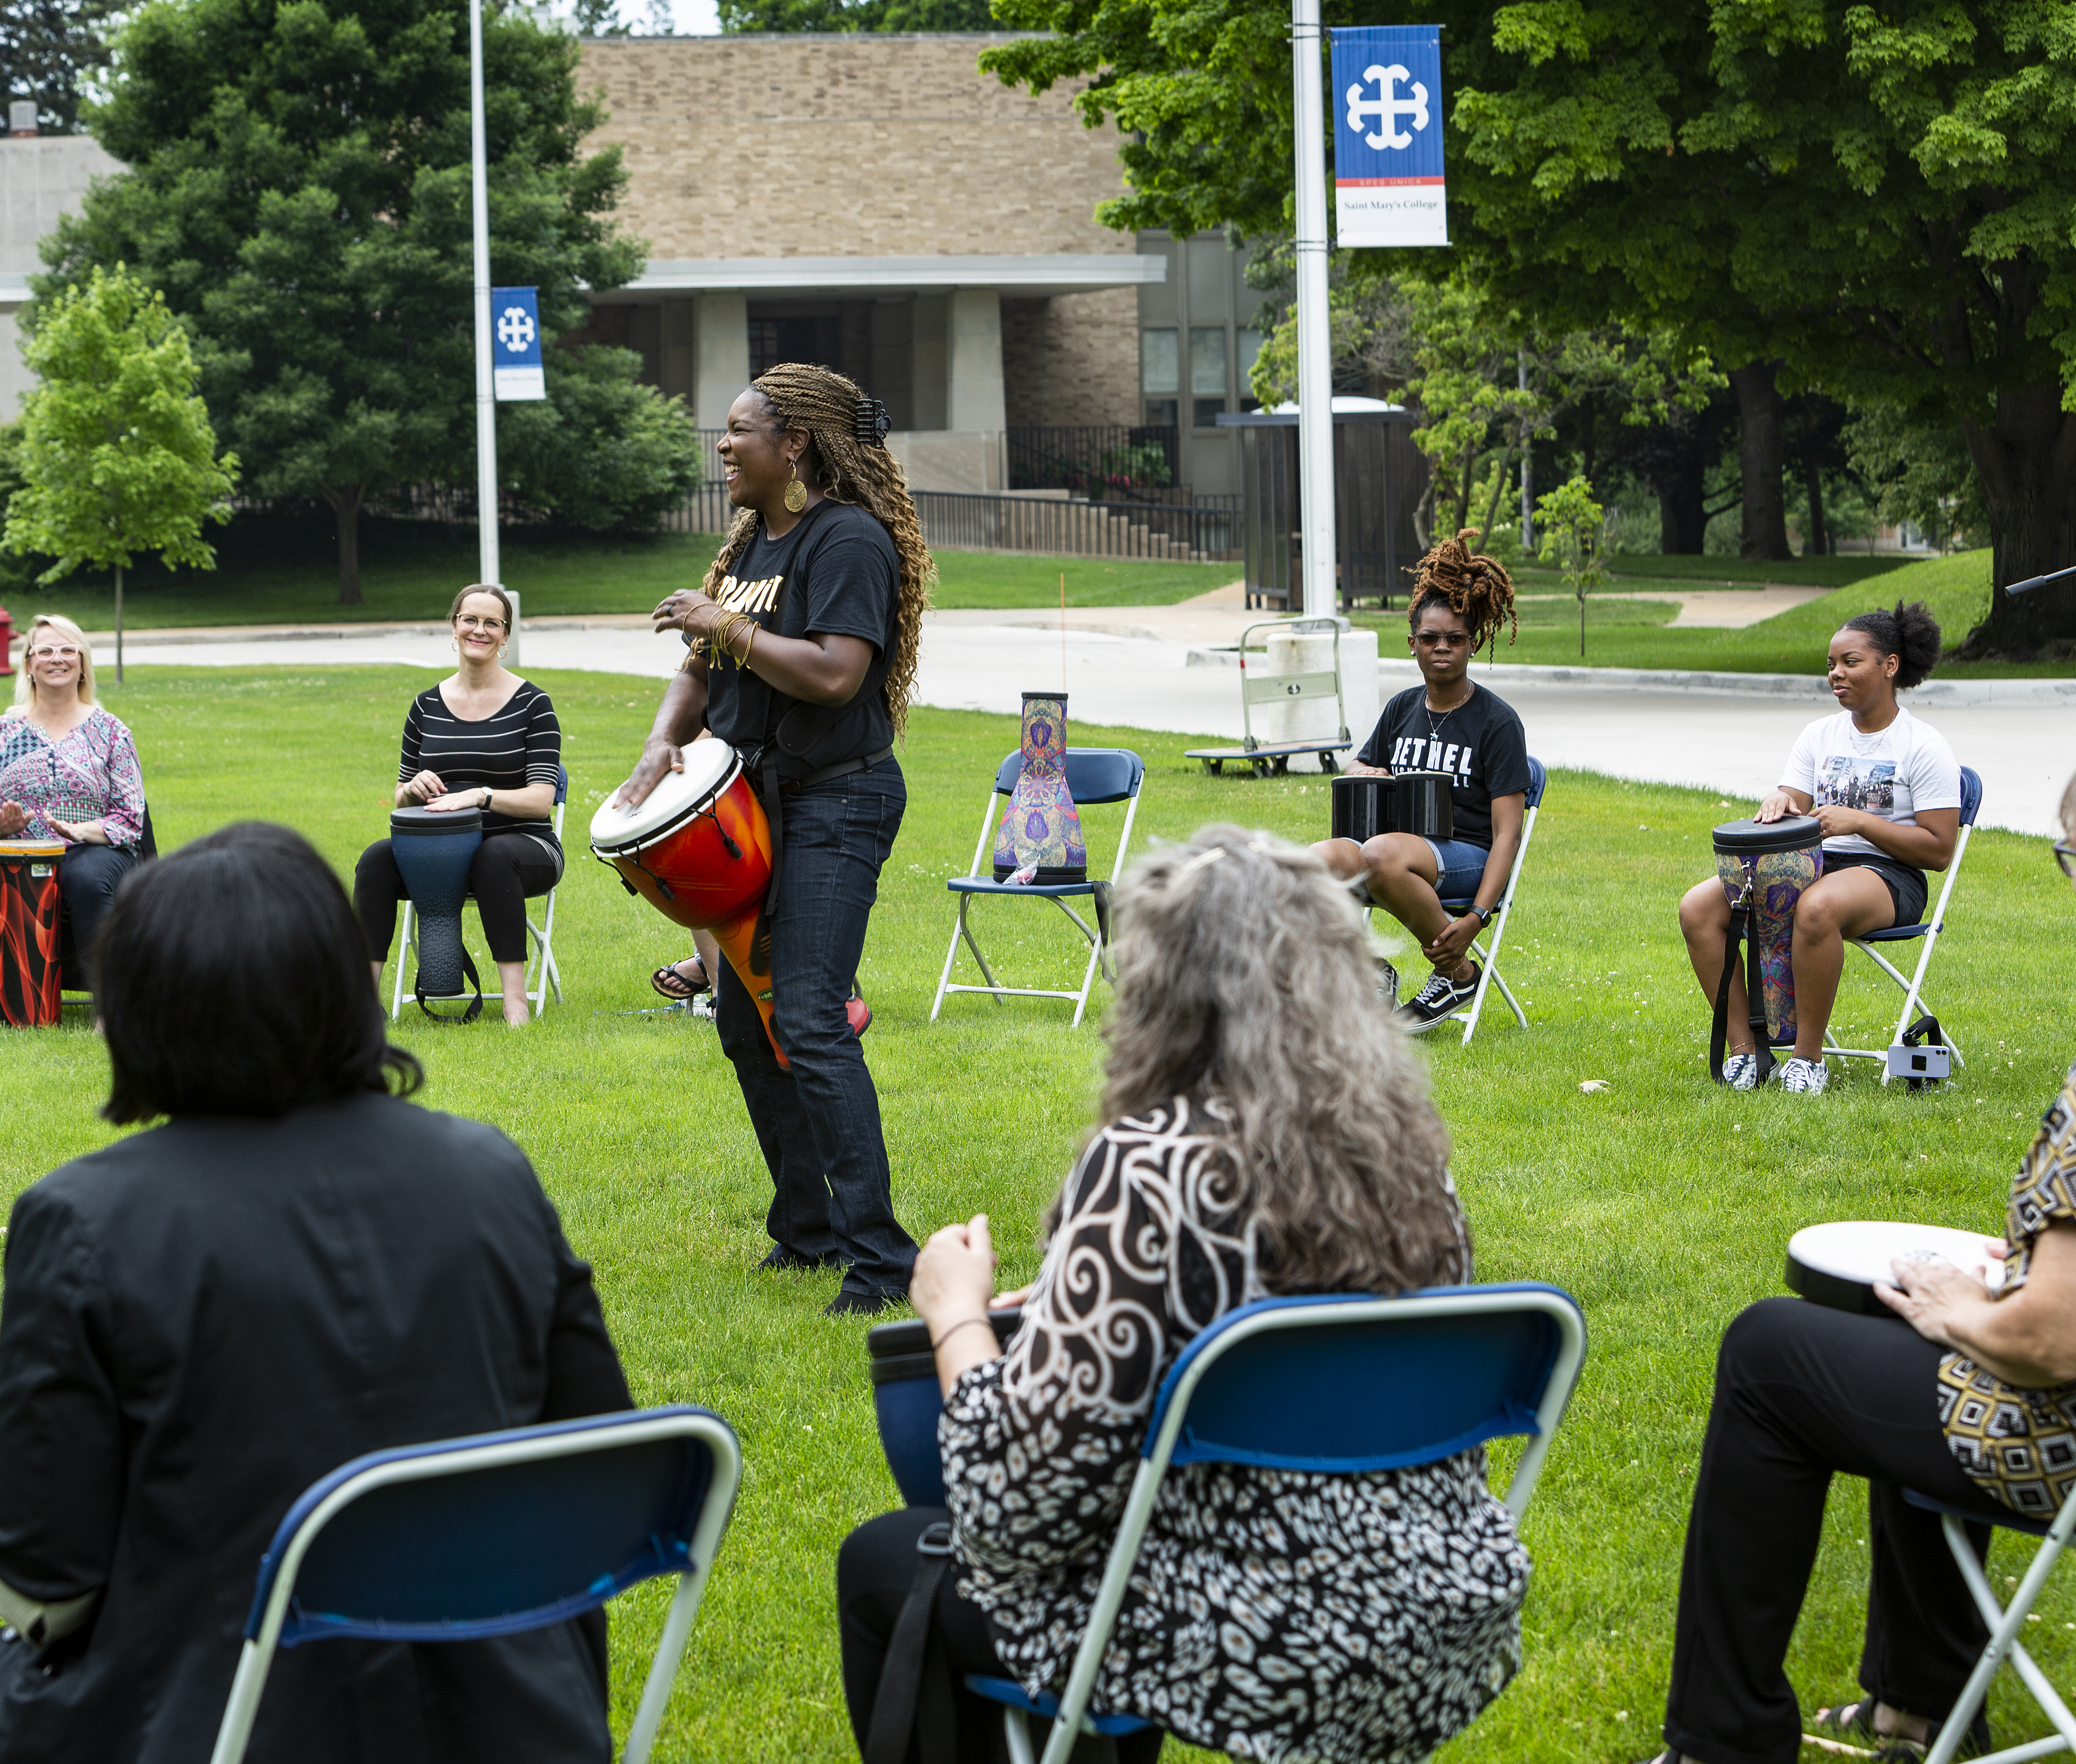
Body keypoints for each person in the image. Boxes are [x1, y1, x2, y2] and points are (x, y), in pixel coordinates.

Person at [0, 821, 633, 1764]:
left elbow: (43, 1583)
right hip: (508, 1713)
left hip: (219, 1713)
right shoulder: (492, 1172)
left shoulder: (86, 1216)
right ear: (344, 980)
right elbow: (597, 1473)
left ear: (140, 1002)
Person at [841, 827, 1531, 1764]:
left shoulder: (1150, 1168)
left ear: (1162, 987)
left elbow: (1014, 1505)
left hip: (1263, 1637)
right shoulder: (1413, 1163)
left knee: (889, 1561)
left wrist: (956, 1309)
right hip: (1434, 1612)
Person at [1633, 773, 2076, 1764]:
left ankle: (1722, 1740)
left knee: (1768, 1349)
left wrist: (1970, 1307)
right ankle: (1920, 1703)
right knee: (1891, 1317)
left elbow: (2049, 1343)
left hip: (2056, 1436)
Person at [611, 362, 925, 1314]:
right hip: (752, 808)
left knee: (812, 1018)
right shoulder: (751, 543)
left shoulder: (849, 541)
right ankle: (807, 1232)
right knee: (749, 1026)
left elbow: (835, 674)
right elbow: (699, 670)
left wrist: (723, 625)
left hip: (839, 799)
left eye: (741, 429)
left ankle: (881, 1260)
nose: (724, 444)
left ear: (795, 444)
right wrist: (662, 745)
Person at [1678, 601, 1959, 1095]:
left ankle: (1807, 1061)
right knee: (1698, 907)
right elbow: (1795, 803)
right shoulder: (1818, 735)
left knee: (1816, 906)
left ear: (1889, 665)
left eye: (1849, 662)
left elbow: (1937, 851)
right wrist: (1778, 799)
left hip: (1889, 875)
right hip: (1814, 862)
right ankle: (1748, 1052)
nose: (1835, 673)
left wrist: (1860, 822)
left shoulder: (1922, 745)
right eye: (1830, 664)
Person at [1312, 528, 1531, 1032]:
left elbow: (1507, 835)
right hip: (1394, 852)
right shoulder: (1401, 707)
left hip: (1466, 858)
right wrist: (1360, 770)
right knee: (1313, 862)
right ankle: (1366, 970)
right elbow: (1360, 765)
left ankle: (1457, 972)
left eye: (1454, 639)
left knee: (1378, 854)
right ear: (1411, 644)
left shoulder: (1497, 722)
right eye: (1429, 639)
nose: (1441, 648)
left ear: (1472, 644)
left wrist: (1477, 915)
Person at [353, 585, 564, 1027]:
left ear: (506, 636)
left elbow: (542, 800)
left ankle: (515, 1005)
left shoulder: (534, 704)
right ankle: (360, 1007)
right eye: (470, 619)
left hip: (523, 846)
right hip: (438, 852)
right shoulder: (425, 706)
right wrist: (413, 787)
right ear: (454, 626)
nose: (479, 630)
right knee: (375, 859)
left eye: (492, 623)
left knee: (494, 855)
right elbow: (400, 796)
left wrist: (480, 795)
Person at [0, 615, 145, 1034]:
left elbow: (131, 816)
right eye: (45, 651)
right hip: (16, 850)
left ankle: (109, 1012)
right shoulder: (1, 731)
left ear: (83, 664)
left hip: (95, 848)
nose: (57, 659)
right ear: (29, 664)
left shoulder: (110, 732)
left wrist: (82, 831)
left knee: (85, 881)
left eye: (68, 650)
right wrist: (0, 828)